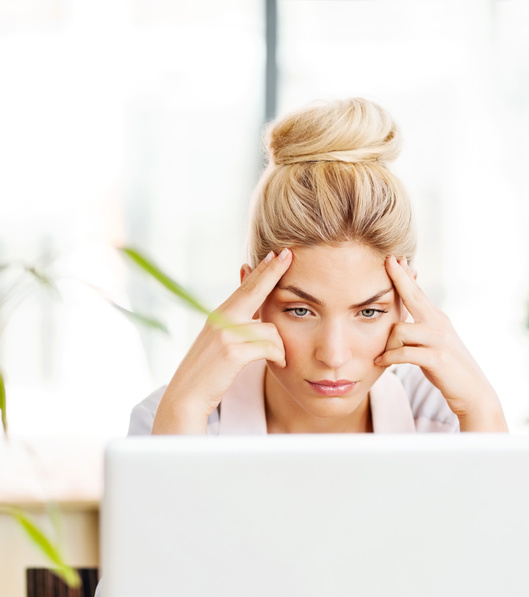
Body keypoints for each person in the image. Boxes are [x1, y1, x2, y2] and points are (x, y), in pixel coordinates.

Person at [129, 97, 508, 437]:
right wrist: (184, 410)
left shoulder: (445, 420)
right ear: (253, 300)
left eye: (369, 312)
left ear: (407, 302)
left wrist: (483, 410)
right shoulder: (173, 420)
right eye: (300, 310)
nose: (333, 355)